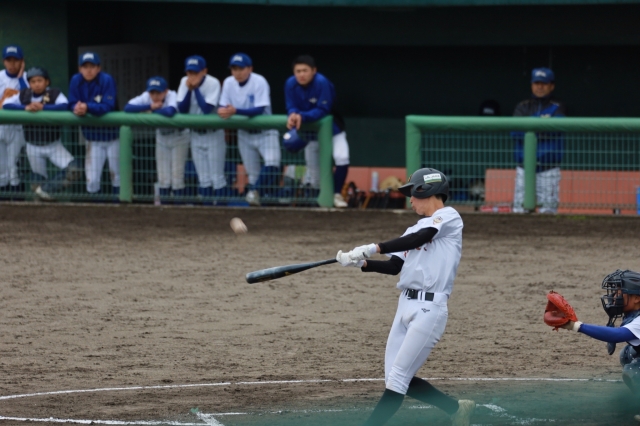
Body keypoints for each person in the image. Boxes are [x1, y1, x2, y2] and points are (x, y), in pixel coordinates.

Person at [335, 168, 475, 426]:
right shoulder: (413, 228)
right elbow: (393, 267)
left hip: (430, 309)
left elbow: (422, 237)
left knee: (398, 378)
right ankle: (456, 409)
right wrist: (360, 263)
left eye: (413, 193)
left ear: (428, 191)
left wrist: (374, 248)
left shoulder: (449, 217)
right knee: (394, 377)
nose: (410, 200)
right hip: (405, 305)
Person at [557, 270, 640, 421]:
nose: (614, 297)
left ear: (636, 298)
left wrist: (576, 326)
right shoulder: (634, 314)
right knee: (628, 354)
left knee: (635, 369)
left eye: (620, 293)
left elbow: (617, 335)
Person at [3, 67, 81, 200]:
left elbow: (64, 105)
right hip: (33, 147)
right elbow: (6, 104)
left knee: (75, 170)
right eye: (33, 81)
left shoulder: (54, 93)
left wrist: (43, 107)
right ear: (29, 83)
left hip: (53, 145)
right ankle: (42, 205)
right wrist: (25, 107)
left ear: (47, 82)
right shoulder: (24, 94)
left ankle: (47, 190)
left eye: (40, 80)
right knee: (37, 182)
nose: (36, 84)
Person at [285, 55, 350, 208]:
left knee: (342, 157)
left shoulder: (322, 82)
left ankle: (336, 194)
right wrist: (292, 114)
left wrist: (301, 116)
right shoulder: (290, 83)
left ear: (314, 70)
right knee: (314, 172)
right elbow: (290, 105)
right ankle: (318, 203)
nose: (301, 74)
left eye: (305, 70)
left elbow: (323, 109)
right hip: (310, 133)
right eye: (298, 71)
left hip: (333, 129)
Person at [218, 53, 280, 207]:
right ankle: (257, 209)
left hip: (265, 131)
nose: (238, 72)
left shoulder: (259, 81)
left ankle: (254, 192)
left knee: (272, 163)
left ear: (250, 69)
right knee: (253, 175)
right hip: (244, 133)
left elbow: (259, 109)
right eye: (234, 69)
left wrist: (235, 111)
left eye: (241, 68)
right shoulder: (228, 82)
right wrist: (223, 110)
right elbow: (223, 106)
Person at [125, 76, 189, 204]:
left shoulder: (172, 95)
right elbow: (127, 107)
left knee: (177, 176)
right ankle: (164, 209)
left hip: (178, 136)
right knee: (163, 177)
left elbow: (170, 111)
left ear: (165, 91)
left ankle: (180, 209)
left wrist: (150, 111)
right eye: (152, 92)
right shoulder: (147, 97)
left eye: (158, 92)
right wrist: (150, 106)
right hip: (162, 136)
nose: (154, 96)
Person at [512, 67, 566, 214]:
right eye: (537, 83)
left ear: (551, 86)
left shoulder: (557, 106)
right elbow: (515, 132)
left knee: (548, 212)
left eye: (544, 83)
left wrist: (529, 125)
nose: (540, 87)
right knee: (519, 211)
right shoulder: (523, 106)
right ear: (532, 85)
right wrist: (543, 122)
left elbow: (556, 129)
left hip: (548, 168)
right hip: (524, 168)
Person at [177, 55, 228, 205]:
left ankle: (222, 210)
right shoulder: (184, 82)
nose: (192, 76)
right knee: (204, 178)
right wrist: (189, 90)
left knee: (217, 178)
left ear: (204, 71)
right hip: (195, 134)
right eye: (189, 72)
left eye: (195, 72)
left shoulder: (213, 83)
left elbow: (206, 109)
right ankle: (207, 212)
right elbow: (182, 109)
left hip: (213, 134)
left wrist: (196, 89)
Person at [68, 52, 119, 197]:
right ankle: (96, 209)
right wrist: (76, 107)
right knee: (92, 180)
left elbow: (108, 106)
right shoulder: (76, 80)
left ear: (98, 68)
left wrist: (87, 107)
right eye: (85, 67)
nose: (89, 70)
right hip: (92, 138)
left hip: (113, 136)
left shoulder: (106, 80)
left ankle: (120, 208)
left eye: (92, 66)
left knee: (117, 176)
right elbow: (71, 102)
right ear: (80, 68)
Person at [0, 45, 28, 196]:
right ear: (3, 61)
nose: (12, 64)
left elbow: (27, 99)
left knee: (14, 168)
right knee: (1, 169)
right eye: (8, 60)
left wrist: (21, 77)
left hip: (17, 128)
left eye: (15, 60)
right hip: (0, 126)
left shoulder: (28, 78)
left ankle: (19, 205)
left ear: (21, 61)